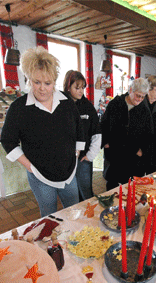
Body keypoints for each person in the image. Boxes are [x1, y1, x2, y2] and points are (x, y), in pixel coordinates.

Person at [1, 46, 85, 216]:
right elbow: (8, 141)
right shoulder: (19, 108)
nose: (42, 88)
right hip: (40, 176)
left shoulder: (67, 104)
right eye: (36, 82)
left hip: (69, 172)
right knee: (49, 217)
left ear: (54, 81)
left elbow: (80, 131)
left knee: (75, 212)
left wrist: (75, 154)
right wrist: (30, 166)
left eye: (47, 83)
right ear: (28, 79)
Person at [101, 78, 151, 190]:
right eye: (138, 95)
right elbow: (104, 125)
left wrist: (142, 150)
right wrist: (105, 142)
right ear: (130, 90)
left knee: (130, 189)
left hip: (133, 157)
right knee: (112, 187)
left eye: (143, 97)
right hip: (115, 153)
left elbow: (148, 133)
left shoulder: (144, 110)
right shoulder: (115, 104)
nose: (140, 99)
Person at [63, 70, 102, 201]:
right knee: (71, 193)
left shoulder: (88, 107)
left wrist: (90, 155)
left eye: (83, 88)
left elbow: (97, 133)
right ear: (68, 87)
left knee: (85, 190)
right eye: (77, 87)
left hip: (82, 158)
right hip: (66, 158)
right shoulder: (61, 105)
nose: (81, 91)